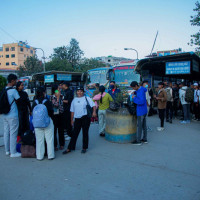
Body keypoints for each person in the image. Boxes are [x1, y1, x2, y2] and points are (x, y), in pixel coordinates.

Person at [63, 86, 96, 154]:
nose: (79, 92)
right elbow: (72, 111)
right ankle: (70, 148)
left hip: (85, 118)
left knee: (85, 133)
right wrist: (72, 120)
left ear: (83, 92)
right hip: (77, 119)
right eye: (78, 91)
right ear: (76, 92)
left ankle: (84, 147)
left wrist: (94, 112)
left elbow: (93, 105)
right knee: (75, 133)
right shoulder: (74, 100)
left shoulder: (87, 98)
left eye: (81, 91)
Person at [32, 87, 55, 160]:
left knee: (39, 140)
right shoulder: (47, 101)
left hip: (37, 124)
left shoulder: (34, 102)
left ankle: (39, 156)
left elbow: (32, 112)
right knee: (49, 139)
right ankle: (50, 155)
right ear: (43, 93)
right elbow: (51, 112)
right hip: (47, 123)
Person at [3, 74, 21, 157]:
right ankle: (13, 152)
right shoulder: (13, 91)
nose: (16, 82)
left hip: (4, 115)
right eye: (15, 80)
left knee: (6, 132)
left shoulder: (4, 90)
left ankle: (7, 150)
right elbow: (18, 100)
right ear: (13, 80)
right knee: (13, 133)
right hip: (13, 115)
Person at [51, 86, 65, 151]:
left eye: (59, 90)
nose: (59, 91)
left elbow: (62, 105)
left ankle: (62, 144)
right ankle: (55, 145)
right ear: (54, 91)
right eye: (57, 90)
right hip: (54, 115)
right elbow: (55, 105)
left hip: (61, 114)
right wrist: (58, 98)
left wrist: (60, 97)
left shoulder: (62, 96)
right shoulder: (52, 97)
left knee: (61, 130)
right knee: (54, 130)